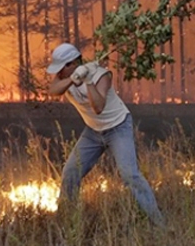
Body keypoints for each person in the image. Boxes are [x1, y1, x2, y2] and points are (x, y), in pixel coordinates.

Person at [47, 42, 165, 226]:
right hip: (93, 131)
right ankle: (65, 220)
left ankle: (158, 224)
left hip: (118, 127)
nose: (59, 73)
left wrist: (87, 81)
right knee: (70, 171)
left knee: (129, 175)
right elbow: (53, 91)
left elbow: (98, 107)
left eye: (62, 68)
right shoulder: (65, 78)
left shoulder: (101, 75)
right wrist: (72, 79)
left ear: (72, 63)